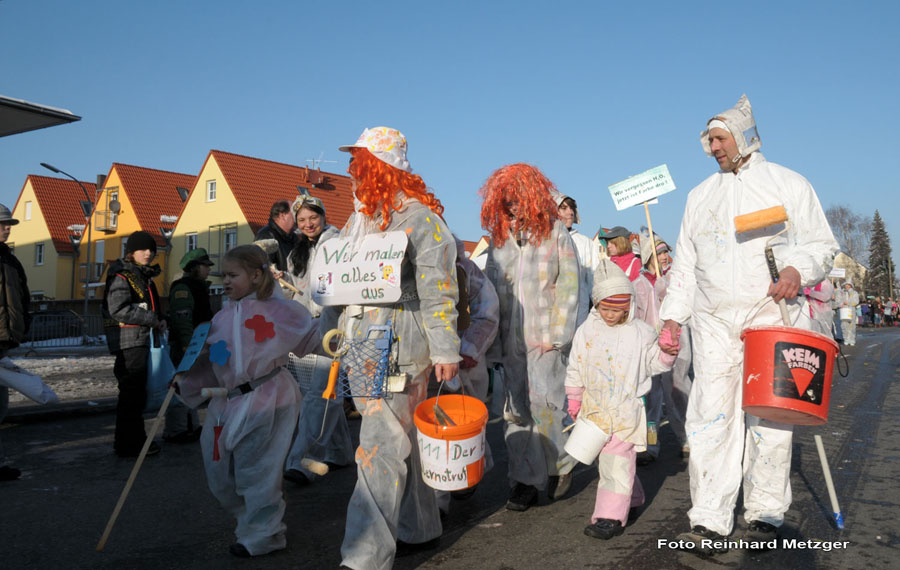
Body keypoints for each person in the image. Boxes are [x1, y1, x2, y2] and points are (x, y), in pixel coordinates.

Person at [659, 95, 839, 554]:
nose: (713, 148)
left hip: (771, 315)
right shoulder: (700, 197)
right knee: (710, 417)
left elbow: (822, 244)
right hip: (715, 319)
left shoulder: (788, 184)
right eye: (708, 142)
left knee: (771, 416)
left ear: (743, 138)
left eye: (719, 139)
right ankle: (710, 518)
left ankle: (765, 511)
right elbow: (685, 264)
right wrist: (672, 317)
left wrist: (797, 269)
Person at [326, 127, 460, 570]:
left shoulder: (420, 220)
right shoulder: (359, 219)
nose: (349, 171)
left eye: (358, 162)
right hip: (362, 344)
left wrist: (445, 351)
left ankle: (365, 557)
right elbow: (339, 283)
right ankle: (420, 526)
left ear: (378, 167)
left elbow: (440, 291)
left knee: (379, 446)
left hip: (401, 345)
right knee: (403, 439)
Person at [175, 245, 320, 557]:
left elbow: (313, 337)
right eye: (223, 275)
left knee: (258, 471)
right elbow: (210, 362)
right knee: (219, 473)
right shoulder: (220, 319)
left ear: (256, 275)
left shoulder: (280, 311)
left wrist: (342, 327)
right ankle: (251, 521)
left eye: (233, 274)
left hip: (268, 398)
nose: (225, 281)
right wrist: (185, 380)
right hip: (225, 405)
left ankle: (264, 535)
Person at [480, 163, 580, 511]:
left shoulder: (554, 232)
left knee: (548, 406)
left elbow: (568, 283)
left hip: (545, 339)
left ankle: (558, 465)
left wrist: (559, 334)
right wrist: (490, 341)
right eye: (506, 200)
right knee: (515, 410)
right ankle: (524, 479)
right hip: (510, 341)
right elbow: (490, 292)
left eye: (517, 198)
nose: (512, 207)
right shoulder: (498, 240)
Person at [565, 259, 677, 539]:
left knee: (615, 461)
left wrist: (667, 351)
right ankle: (634, 498)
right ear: (597, 303)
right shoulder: (586, 331)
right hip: (595, 409)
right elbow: (575, 365)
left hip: (627, 411)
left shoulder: (640, 332)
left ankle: (610, 517)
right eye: (606, 308)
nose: (612, 315)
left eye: (620, 309)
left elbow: (655, 364)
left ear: (629, 305)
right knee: (613, 461)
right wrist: (575, 397)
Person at [282, 194, 354, 486]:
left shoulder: (337, 244)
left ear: (323, 217)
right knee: (322, 391)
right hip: (306, 329)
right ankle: (339, 452)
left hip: (333, 328)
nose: (308, 224)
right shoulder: (297, 252)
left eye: (313, 217)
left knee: (321, 393)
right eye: (302, 220)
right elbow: (298, 290)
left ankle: (304, 462)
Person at [436, 235, 500, 512]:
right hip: (423, 365)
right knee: (432, 430)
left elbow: (487, 311)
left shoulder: (465, 270)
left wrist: (469, 349)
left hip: (464, 364)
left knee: (463, 423)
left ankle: (466, 472)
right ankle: (436, 497)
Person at [103, 230, 167, 458]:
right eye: (142, 249)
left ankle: (129, 442)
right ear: (131, 252)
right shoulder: (123, 276)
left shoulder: (141, 276)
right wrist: (152, 319)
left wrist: (160, 319)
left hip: (138, 340)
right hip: (128, 342)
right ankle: (132, 444)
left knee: (134, 395)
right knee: (131, 395)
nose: (148, 253)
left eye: (151, 250)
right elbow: (118, 309)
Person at [639, 234, 692, 462]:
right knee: (650, 401)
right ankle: (650, 444)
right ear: (649, 256)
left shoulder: (675, 280)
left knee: (678, 392)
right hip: (649, 350)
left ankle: (688, 438)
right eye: (660, 252)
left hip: (675, 346)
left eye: (665, 252)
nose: (664, 256)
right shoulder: (638, 284)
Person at [164, 248, 215, 443]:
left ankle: (191, 427)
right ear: (194, 268)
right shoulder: (183, 288)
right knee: (179, 386)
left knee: (192, 385)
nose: (208, 270)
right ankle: (176, 430)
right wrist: (188, 348)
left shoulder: (198, 286)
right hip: (186, 347)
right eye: (205, 266)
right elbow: (182, 320)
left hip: (198, 345)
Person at [0, 204, 30, 481]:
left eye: (9, 223)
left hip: (2, 341)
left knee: (0, 406)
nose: (7, 227)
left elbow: (23, 295)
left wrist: (24, 325)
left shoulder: (10, 260)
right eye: (2, 223)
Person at [553, 191, 599, 326]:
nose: (570, 212)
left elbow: (593, 278)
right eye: (564, 208)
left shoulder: (585, 243)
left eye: (571, 208)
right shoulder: (545, 243)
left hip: (580, 310)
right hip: (554, 310)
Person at [255, 200, 297, 273]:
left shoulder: (293, 237)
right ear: (283, 216)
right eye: (294, 213)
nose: (298, 217)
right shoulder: (266, 236)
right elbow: (264, 269)